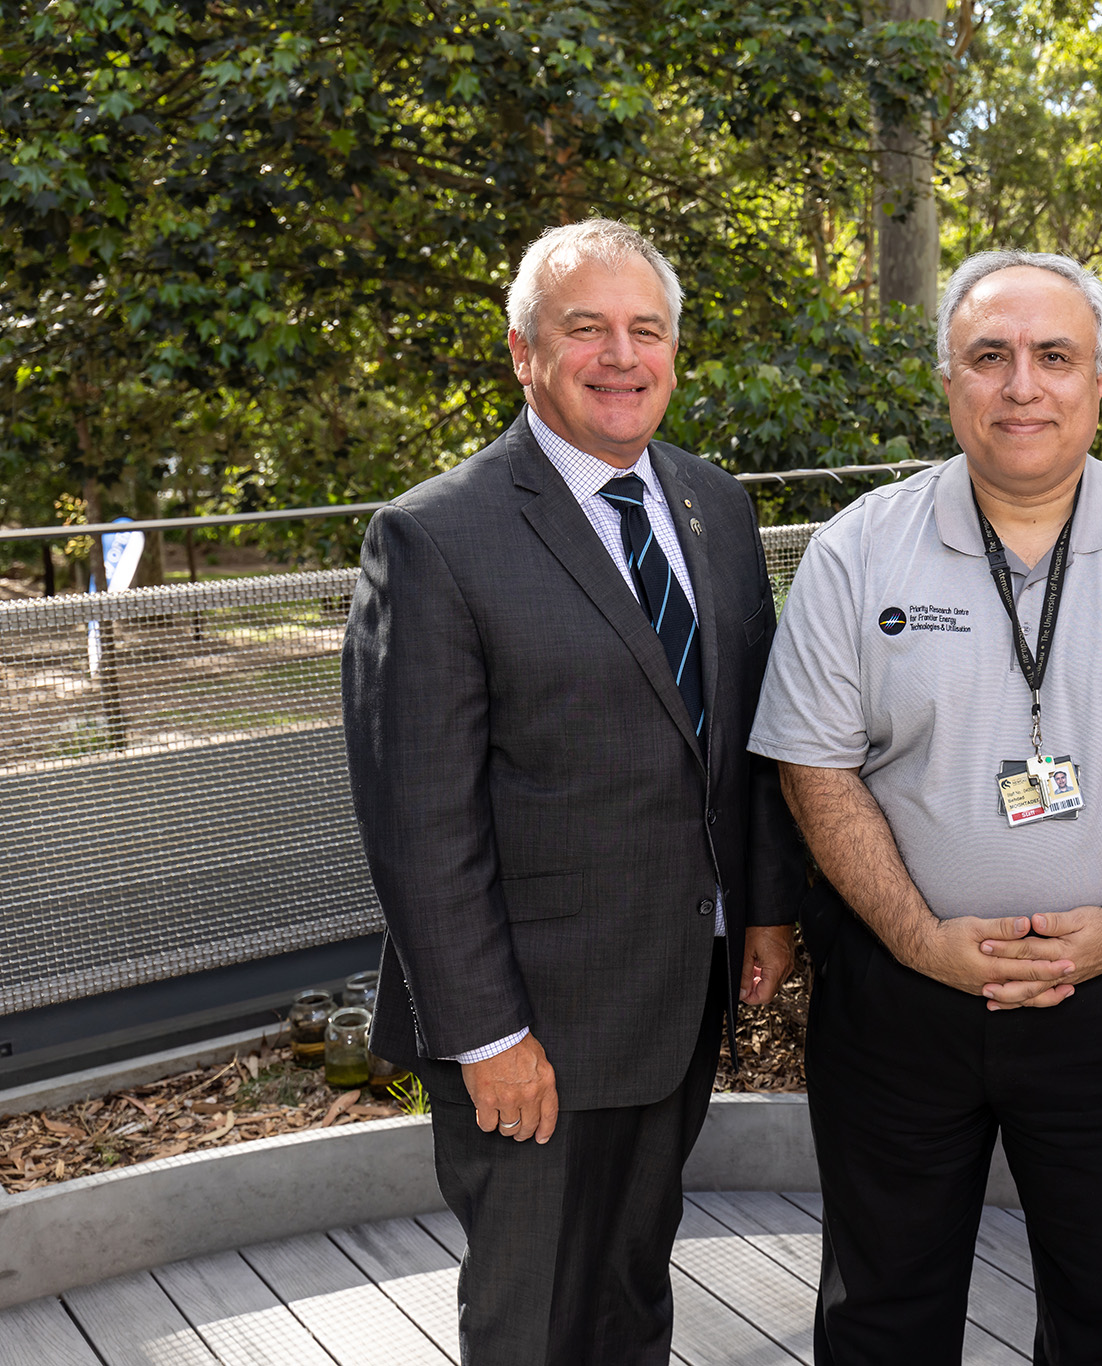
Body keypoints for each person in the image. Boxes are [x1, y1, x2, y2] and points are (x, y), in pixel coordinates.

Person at [749, 250, 1102, 1365]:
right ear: (950, 381)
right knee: (881, 1313)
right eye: (989, 356)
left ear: (1099, 382)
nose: (1022, 386)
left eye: (1054, 357)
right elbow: (815, 768)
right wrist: (915, 938)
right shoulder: (855, 552)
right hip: (898, 1000)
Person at [341, 218, 803, 1365]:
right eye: (585, 328)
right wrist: (487, 1034)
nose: (621, 356)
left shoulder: (715, 507)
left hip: (677, 994)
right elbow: (418, 822)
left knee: (630, 1294)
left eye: (646, 329)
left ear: (675, 352)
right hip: (531, 1024)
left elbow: (744, 731)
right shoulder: (435, 536)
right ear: (522, 352)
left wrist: (762, 908)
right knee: (534, 1321)